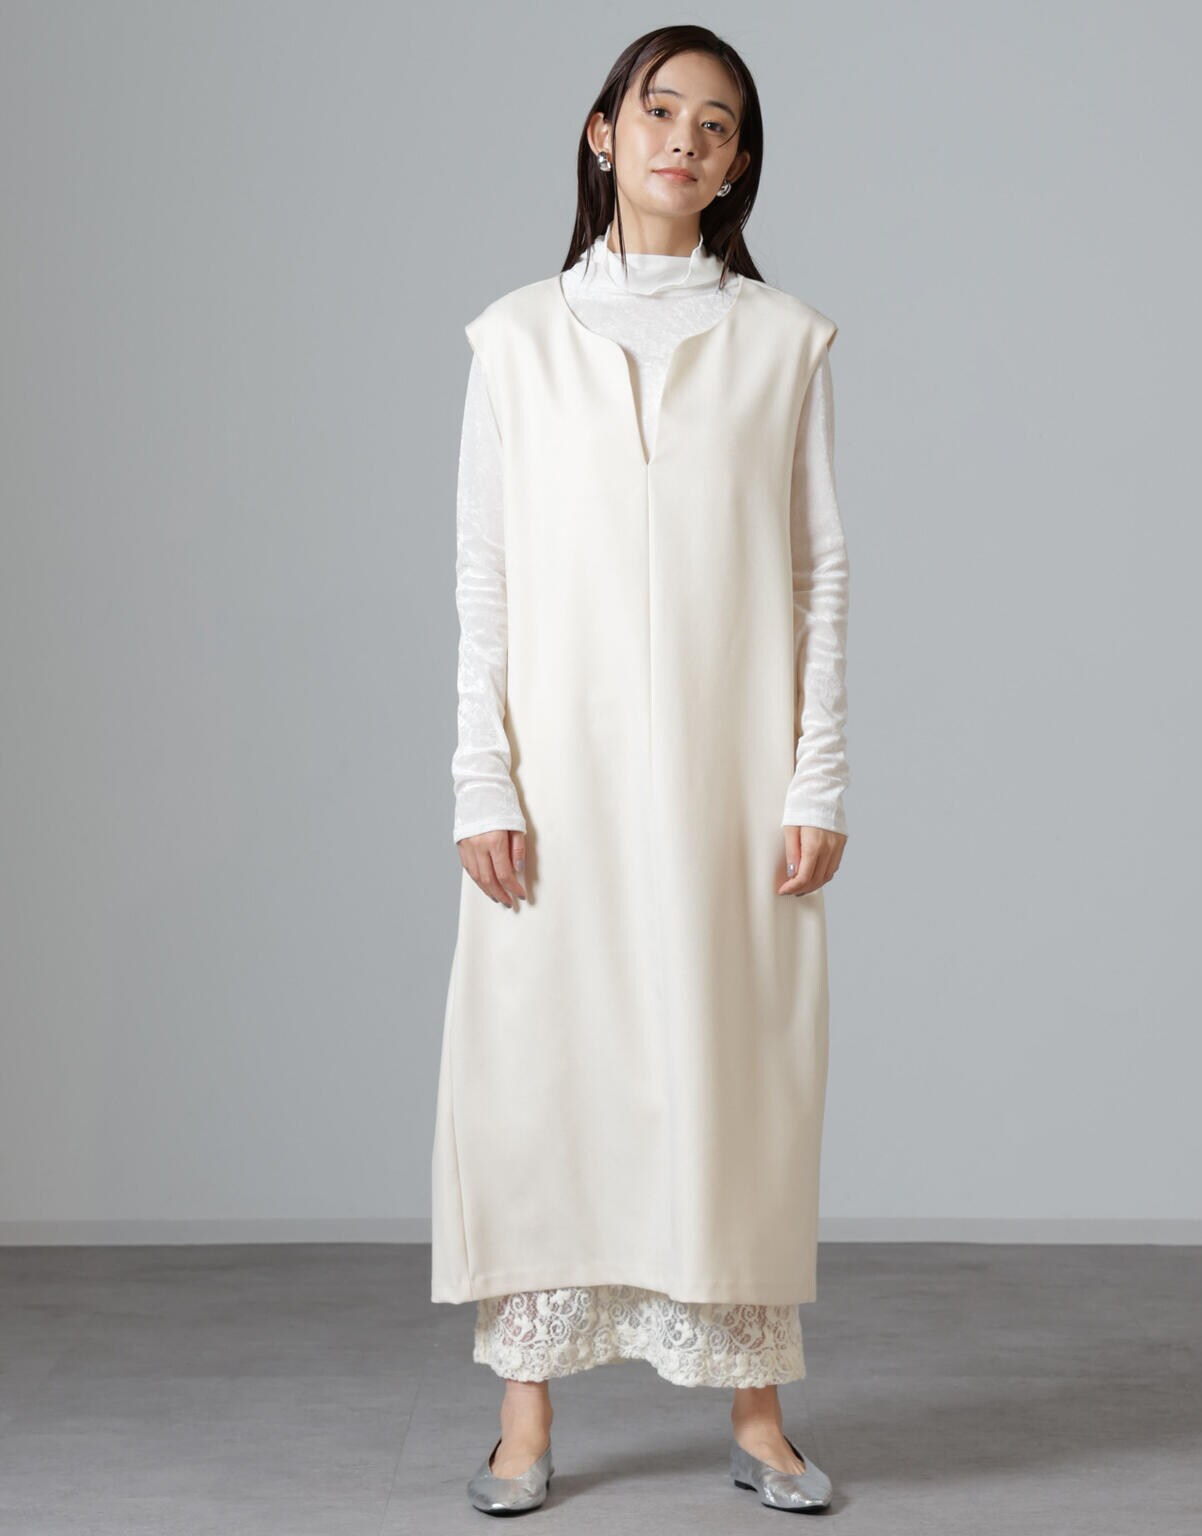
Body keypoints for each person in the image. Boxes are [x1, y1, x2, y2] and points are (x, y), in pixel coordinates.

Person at [431, 25, 849, 1515]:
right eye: (658, 109)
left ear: (737, 164)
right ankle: (524, 1412)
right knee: (539, 1065)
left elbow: (818, 572)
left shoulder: (783, 342)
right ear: (603, 133)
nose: (685, 137)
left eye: (716, 124)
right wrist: (482, 776)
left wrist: (817, 776)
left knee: (732, 1067)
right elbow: (483, 576)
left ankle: (757, 1413)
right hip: (562, 774)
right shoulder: (514, 340)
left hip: (730, 778)